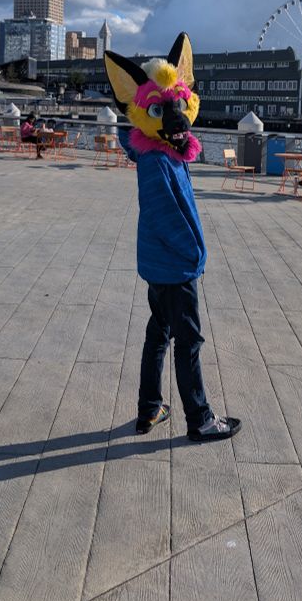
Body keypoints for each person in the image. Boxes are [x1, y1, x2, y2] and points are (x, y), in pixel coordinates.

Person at [105, 32, 241, 443]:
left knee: (159, 334)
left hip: (159, 263)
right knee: (189, 340)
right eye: (161, 109)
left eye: (178, 105)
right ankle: (200, 419)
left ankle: (149, 409)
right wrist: (194, 254)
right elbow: (165, 216)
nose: (176, 119)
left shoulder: (164, 150)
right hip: (173, 266)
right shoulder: (156, 160)